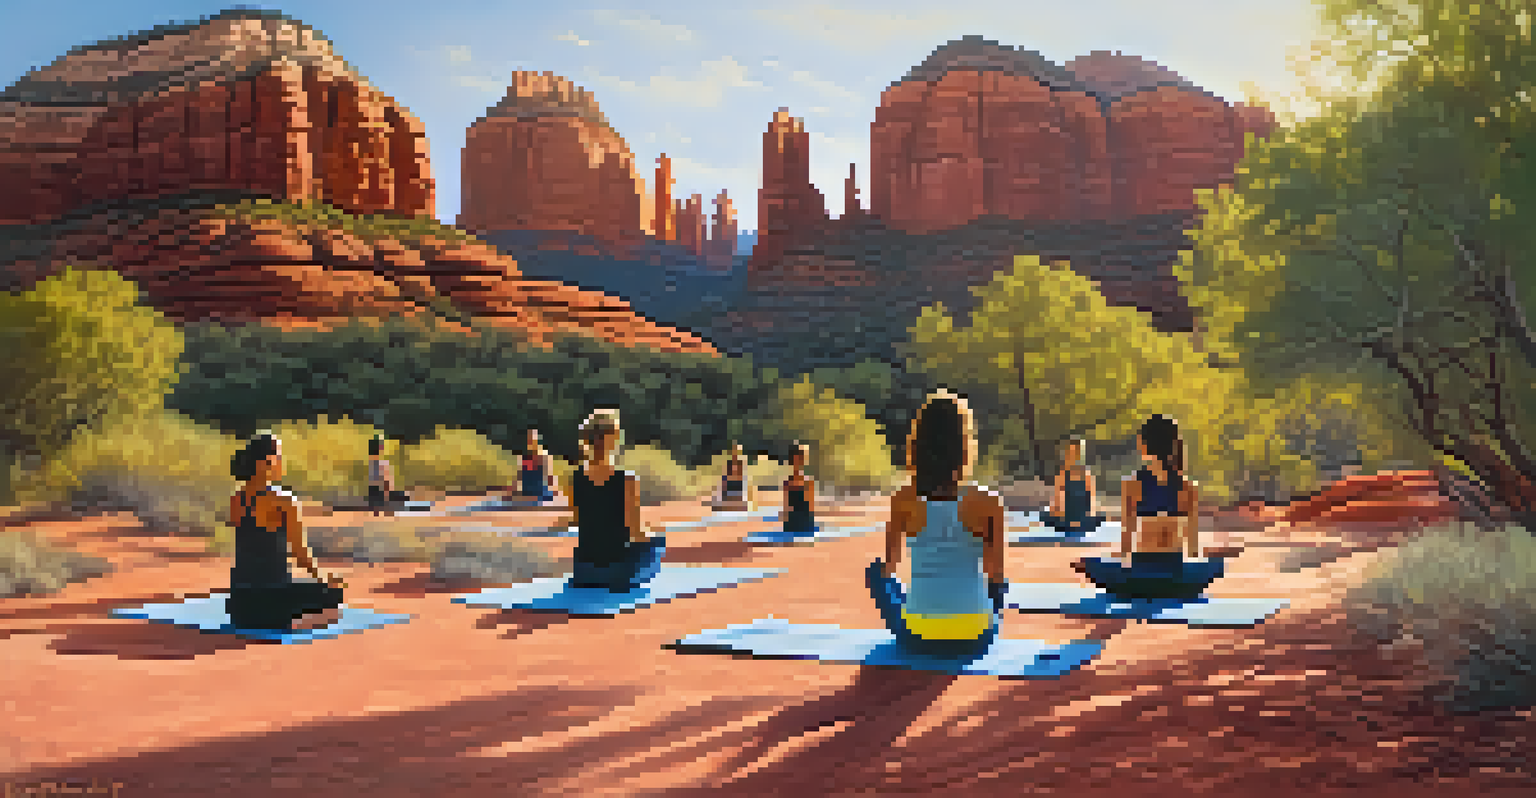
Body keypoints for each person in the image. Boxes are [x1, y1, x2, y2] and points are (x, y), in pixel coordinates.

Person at [867, 390, 1009, 655]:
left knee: (876, 573)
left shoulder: (902, 499)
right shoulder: (989, 501)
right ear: (964, 444)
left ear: (919, 443)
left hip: (919, 636)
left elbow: (889, 567)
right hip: (974, 634)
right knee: (999, 586)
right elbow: (996, 574)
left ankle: (923, 610)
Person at [1075, 415, 1222, 600]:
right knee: (1215, 565)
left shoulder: (1134, 485)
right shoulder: (1187, 488)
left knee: (1090, 565)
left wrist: (1109, 563)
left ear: (1146, 445)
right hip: (1171, 573)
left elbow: (1126, 542)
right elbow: (1191, 547)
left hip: (1147, 573)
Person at [227, 432, 346, 631]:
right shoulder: (284, 499)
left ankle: (281, 616)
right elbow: (300, 554)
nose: (282, 461)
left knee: (285, 583)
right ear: (267, 462)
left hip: (239, 603)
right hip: (272, 601)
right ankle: (290, 624)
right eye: (279, 456)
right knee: (334, 596)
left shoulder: (236, 498)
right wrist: (325, 579)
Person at [566, 410, 666, 592]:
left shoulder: (575, 478)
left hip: (583, 573)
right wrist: (652, 535)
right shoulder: (627, 480)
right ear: (613, 439)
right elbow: (635, 533)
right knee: (658, 540)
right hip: (617, 574)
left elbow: (577, 520)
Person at [1038, 439, 1107, 535]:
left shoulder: (1087, 475)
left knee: (1101, 516)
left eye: (1074, 454)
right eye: (1069, 453)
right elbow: (1057, 500)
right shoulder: (1062, 475)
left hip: (1081, 517)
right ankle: (1071, 523)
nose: (1072, 457)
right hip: (1066, 516)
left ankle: (1074, 523)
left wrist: (1090, 515)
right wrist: (1057, 514)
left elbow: (1092, 499)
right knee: (1044, 514)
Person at [780, 443, 817, 536]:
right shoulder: (787, 483)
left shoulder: (809, 482)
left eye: (801, 459)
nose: (799, 462)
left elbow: (811, 507)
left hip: (805, 521)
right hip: (793, 522)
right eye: (797, 459)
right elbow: (786, 507)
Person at [516, 428, 558, 504]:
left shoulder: (543, 457)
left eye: (532, 440)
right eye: (529, 440)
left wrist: (554, 489)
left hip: (540, 493)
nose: (530, 443)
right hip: (527, 493)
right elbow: (519, 478)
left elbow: (550, 476)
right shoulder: (523, 458)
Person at [367, 435, 395, 516]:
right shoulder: (380, 462)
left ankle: (379, 511)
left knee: (376, 503)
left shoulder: (372, 461)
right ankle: (385, 509)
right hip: (378, 484)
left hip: (373, 485)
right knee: (383, 495)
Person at [719, 443, 750, 507]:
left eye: (737, 451)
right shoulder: (729, 463)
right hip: (731, 485)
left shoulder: (741, 463)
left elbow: (743, 477)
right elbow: (725, 477)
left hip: (737, 485)